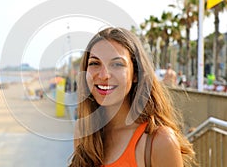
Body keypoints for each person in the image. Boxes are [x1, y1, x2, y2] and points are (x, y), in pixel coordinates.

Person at [69, 27, 195, 167]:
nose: (104, 75)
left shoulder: (159, 141)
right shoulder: (84, 132)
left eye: (117, 64)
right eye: (95, 63)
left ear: (136, 74)